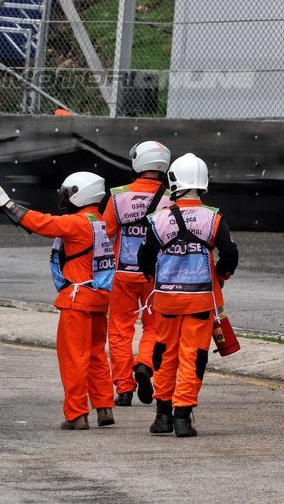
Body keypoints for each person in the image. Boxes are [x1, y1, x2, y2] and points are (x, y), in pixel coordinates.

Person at [0, 172, 116, 429]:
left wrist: (5, 203)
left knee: (74, 358)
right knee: (97, 355)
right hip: (99, 298)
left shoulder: (77, 223)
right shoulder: (99, 222)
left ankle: (77, 415)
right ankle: (104, 408)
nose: (64, 196)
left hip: (77, 301)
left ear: (80, 194)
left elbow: (41, 223)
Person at [138, 153, 238, 438]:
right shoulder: (214, 217)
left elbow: (145, 258)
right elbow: (230, 254)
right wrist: (220, 277)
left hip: (167, 300)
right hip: (200, 300)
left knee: (165, 353)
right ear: (202, 184)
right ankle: (182, 418)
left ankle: (162, 418)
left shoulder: (157, 220)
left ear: (174, 182)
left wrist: (155, 279)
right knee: (193, 356)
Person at [103, 140, 172, 407]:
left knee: (120, 330)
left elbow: (105, 234)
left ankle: (123, 388)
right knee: (154, 326)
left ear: (137, 162)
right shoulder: (170, 198)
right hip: (156, 276)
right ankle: (144, 363)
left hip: (123, 274)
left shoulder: (118, 195)